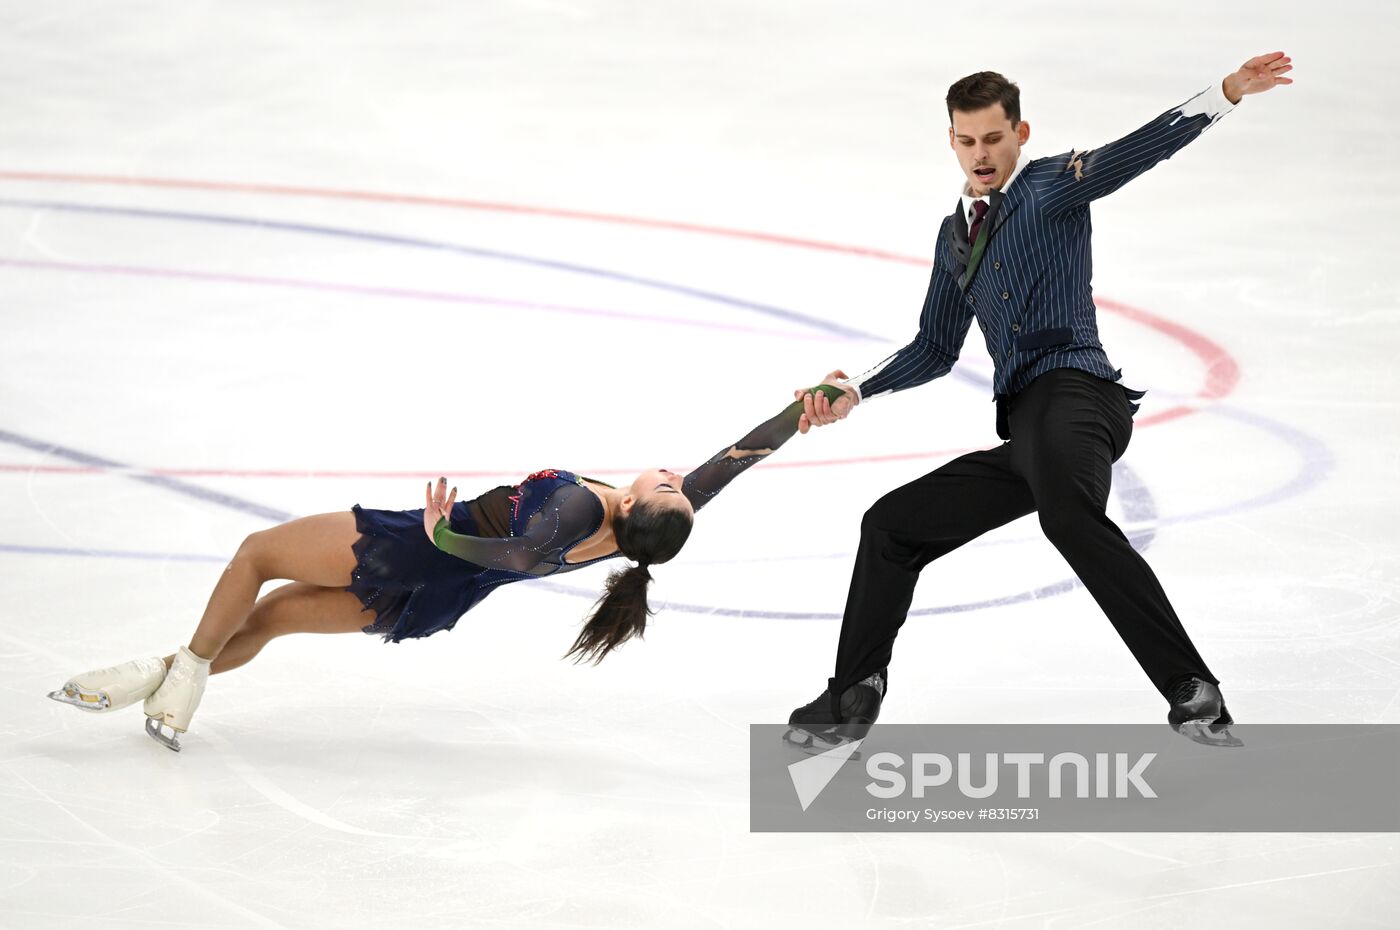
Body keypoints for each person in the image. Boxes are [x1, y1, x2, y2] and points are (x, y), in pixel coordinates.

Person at [784, 53, 1294, 750]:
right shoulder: (954, 236)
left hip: (1078, 395)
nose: (981, 154)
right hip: (1029, 431)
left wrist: (1226, 94)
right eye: (966, 141)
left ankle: (1190, 688)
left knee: (1067, 516)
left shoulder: (1051, 184)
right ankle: (852, 693)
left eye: (993, 138)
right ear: (952, 142)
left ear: (1020, 133)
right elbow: (934, 348)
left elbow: (1132, 154)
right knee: (891, 527)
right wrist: (854, 389)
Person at [48, 386, 846, 751]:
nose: (676, 474)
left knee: (257, 555)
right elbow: (736, 458)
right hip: (440, 596)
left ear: (636, 508)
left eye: (669, 485)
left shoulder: (580, 513)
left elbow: (513, 552)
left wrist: (441, 530)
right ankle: (166, 679)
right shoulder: (644, 529)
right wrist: (806, 405)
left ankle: (179, 667)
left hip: (420, 550)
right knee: (277, 615)